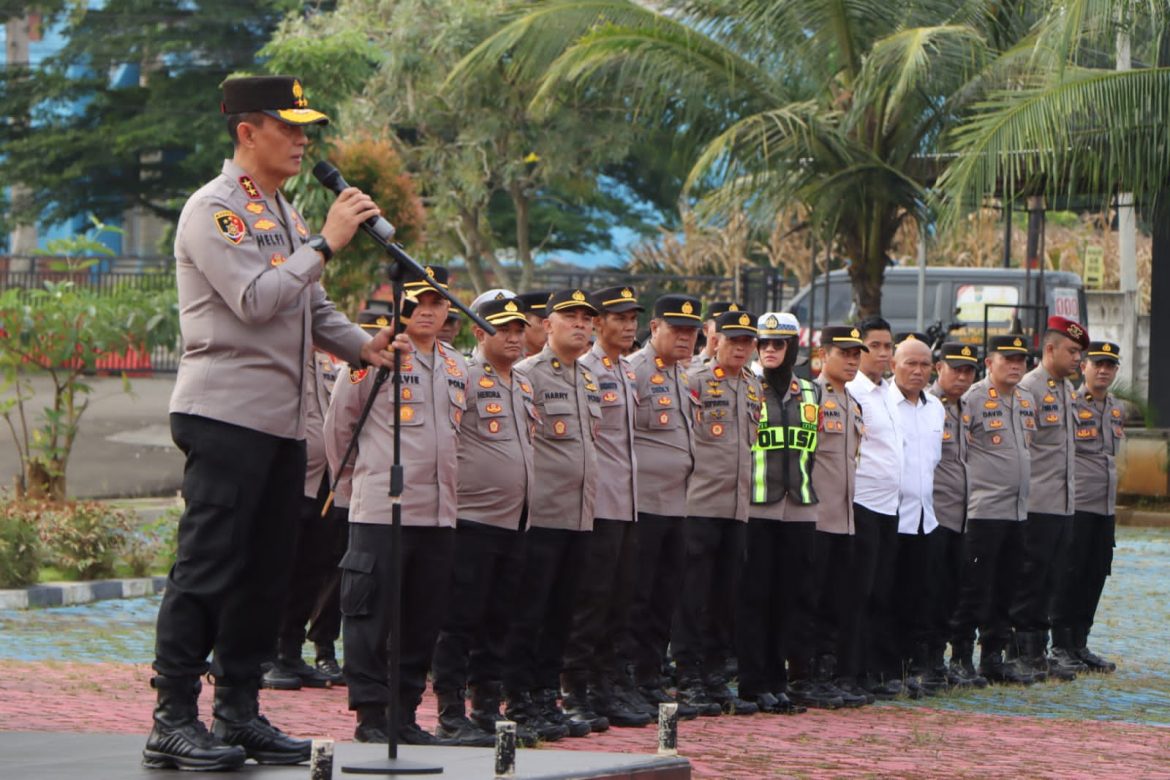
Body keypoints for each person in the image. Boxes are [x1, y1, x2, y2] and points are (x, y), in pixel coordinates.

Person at [144, 75, 402, 772]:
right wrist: (326, 243)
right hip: (225, 416)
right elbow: (258, 300)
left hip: (286, 425)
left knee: (263, 574)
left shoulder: (280, 211)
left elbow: (307, 308)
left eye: (304, 128)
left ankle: (239, 710)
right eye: (287, 127)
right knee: (207, 567)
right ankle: (172, 716)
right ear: (246, 131)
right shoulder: (216, 210)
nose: (301, 140)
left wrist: (362, 346)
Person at [325, 265, 468, 746]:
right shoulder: (373, 356)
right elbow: (338, 427)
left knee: (422, 617)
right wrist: (353, 489)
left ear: (448, 309)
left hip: (438, 514)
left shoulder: (456, 365)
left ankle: (404, 713)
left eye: (436, 303)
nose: (426, 311)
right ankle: (370, 714)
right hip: (379, 511)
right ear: (399, 305)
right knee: (369, 617)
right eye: (417, 302)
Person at [430, 295, 538, 747]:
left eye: (518, 329)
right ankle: (450, 711)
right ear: (478, 332)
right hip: (472, 518)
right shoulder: (463, 377)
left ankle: (486, 705)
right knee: (459, 621)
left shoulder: (523, 383)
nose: (514, 337)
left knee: (499, 618)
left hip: (515, 522)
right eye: (503, 330)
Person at [502, 289, 601, 740]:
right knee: (529, 612)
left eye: (586, 318)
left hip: (579, 515)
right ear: (547, 325)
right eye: (571, 317)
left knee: (562, 612)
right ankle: (518, 698)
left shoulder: (588, 377)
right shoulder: (527, 374)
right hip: (540, 514)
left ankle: (546, 695)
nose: (581, 325)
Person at [674, 309, 763, 716]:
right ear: (716, 342)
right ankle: (688, 677)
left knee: (725, 596)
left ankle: (714, 677)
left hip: (737, 507)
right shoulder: (695, 381)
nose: (741, 349)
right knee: (693, 596)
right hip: (700, 504)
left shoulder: (753, 387)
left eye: (748, 342)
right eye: (734, 341)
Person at [623, 294, 706, 717]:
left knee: (663, 597)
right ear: (654, 328)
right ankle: (630, 679)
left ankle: (650, 678)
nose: (686, 338)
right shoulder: (634, 371)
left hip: (678, 503)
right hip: (643, 504)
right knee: (636, 596)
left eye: (692, 331)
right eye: (677, 329)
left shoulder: (683, 374)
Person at [738, 312, 816, 715]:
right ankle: (753, 682)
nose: (769, 350)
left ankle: (777, 680)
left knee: (789, 599)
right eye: (763, 343)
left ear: (792, 348)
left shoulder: (810, 392)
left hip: (799, 507)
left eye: (778, 344)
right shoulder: (747, 388)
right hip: (757, 507)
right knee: (756, 598)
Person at [950, 335, 1038, 685]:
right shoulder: (972, 399)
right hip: (983, 510)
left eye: (1021, 359)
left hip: (1017, 511)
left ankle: (993, 655)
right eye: (1008, 359)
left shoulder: (1026, 399)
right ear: (989, 362)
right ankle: (959, 656)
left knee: (1006, 586)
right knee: (974, 586)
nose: (1016, 365)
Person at [261, 347, 346, 692]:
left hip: (324, 481)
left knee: (311, 570)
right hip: (286, 479)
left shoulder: (329, 362)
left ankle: (291, 651)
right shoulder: (277, 356)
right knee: (276, 570)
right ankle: (263, 656)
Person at [1011, 316, 1089, 682]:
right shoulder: (1030, 388)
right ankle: (1022, 651)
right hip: (1037, 503)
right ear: (1050, 349)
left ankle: (1038, 650)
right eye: (1072, 351)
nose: (1078, 359)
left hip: (1063, 503)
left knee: (1052, 579)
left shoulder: (1065, 389)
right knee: (1030, 579)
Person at [803, 327, 868, 709]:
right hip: (816, 514)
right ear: (823, 354)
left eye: (855, 354)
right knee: (810, 599)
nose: (852, 360)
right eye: (844, 353)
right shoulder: (810, 397)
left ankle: (825, 675)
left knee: (834, 601)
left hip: (845, 517)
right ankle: (806, 675)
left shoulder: (852, 402)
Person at [1050, 340, 1124, 673]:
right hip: (1077, 504)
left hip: (1104, 508)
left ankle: (1080, 642)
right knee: (1070, 574)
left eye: (1110, 366)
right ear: (1084, 368)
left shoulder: (1117, 408)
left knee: (1095, 574)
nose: (1104, 371)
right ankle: (1061, 644)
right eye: (1098, 364)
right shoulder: (1070, 403)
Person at [845, 317, 906, 699]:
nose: (884, 353)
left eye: (888, 346)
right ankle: (850, 672)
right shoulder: (853, 391)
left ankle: (873, 668)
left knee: (883, 591)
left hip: (890, 505)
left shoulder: (888, 392)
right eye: (875, 346)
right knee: (857, 594)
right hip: (861, 502)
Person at [889, 337, 946, 695]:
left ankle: (915, 664)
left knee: (922, 596)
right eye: (910, 363)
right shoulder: (883, 404)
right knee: (890, 596)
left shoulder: (936, 407)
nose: (918, 371)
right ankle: (889, 666)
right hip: (892, 516)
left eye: (925, 364)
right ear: (894, 364)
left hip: (927, 515)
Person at [928, 342, 986, 688]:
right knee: (931, 591)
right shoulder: (928, 404)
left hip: (962, 514)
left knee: (954, 590)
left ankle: (943, 659)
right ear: (940, 368)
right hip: (933, 514)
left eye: (969, 371)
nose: (963, 376)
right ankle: (927, 659)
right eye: (956, 369)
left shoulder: (965, 407)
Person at [517, 290, 553, 357]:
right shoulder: (508, 359)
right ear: (523, 323)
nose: (549, 327)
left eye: (552, 322)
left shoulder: (567, 358)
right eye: (542, 322)